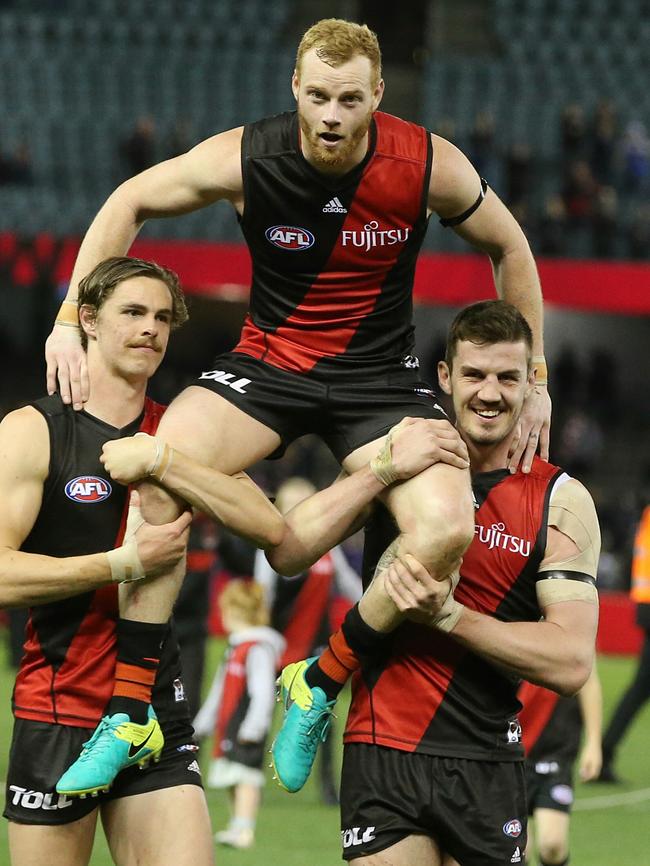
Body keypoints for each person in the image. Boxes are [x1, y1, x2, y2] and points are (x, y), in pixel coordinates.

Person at [45, 18, 551, 792]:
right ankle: (130, 709)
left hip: (381, 378)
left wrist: (537, 377)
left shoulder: (425, 164)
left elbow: (510, 246)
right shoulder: (250, 155)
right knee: (155, 478)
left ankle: (320, 679)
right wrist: (68, 322)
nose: (331, 116)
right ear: (294, 88)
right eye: (317, 96)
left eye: (350, 99)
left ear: (377, 94)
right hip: (267, 366)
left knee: (448, 526)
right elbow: (128, 200)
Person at [269, 301, 599, 865]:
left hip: (487, 761)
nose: (489, 394)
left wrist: (451, 617)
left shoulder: (560, 500)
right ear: (445, 377)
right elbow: (288, 549)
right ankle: (319, 682)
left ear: (530, 386)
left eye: (507, 378)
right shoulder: (405, 460)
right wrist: (381, 471)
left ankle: (323, 676)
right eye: (473, 375)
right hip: (382, 751)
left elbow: (570, 662)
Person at [0, 256, 215, 866]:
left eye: (163, 317)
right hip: (59, 705)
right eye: (134, 312)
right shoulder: (33, 430)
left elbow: (270, 526)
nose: (151, 328)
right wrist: (121, 563)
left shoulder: (181, 432)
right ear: (87, 320)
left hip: (152, 709)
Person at [255, 475, 362, 804]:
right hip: (277, 643)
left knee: (319, 712)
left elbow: (350, 587)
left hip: (315, 644)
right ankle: (248, 777)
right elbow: (263, 594)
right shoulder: (270, 551)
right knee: (259, 711)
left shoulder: (329, 550)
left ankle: (328, 787)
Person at [193, 579, 285, 850]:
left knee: (246, 776)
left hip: (245, 724)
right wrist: (202, 725)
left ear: (235, 611)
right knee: (231, 773)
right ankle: (236, 825)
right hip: (229, 724)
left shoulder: (257, 648)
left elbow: (263, 692)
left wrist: (254, 726)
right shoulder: (236, 648)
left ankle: (245, 828)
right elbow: (219, 691)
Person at [518, 666, 603, 866]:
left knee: (552, 844)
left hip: (556, 751)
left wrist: (593, 743)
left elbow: (588, 680)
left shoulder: (573, 635)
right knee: (519, 848)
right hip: (511, 748)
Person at [596, 501, 650, 783]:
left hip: (646, 605)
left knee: (640, 689)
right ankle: (602, 754)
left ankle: (603, 754)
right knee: (639, 689)